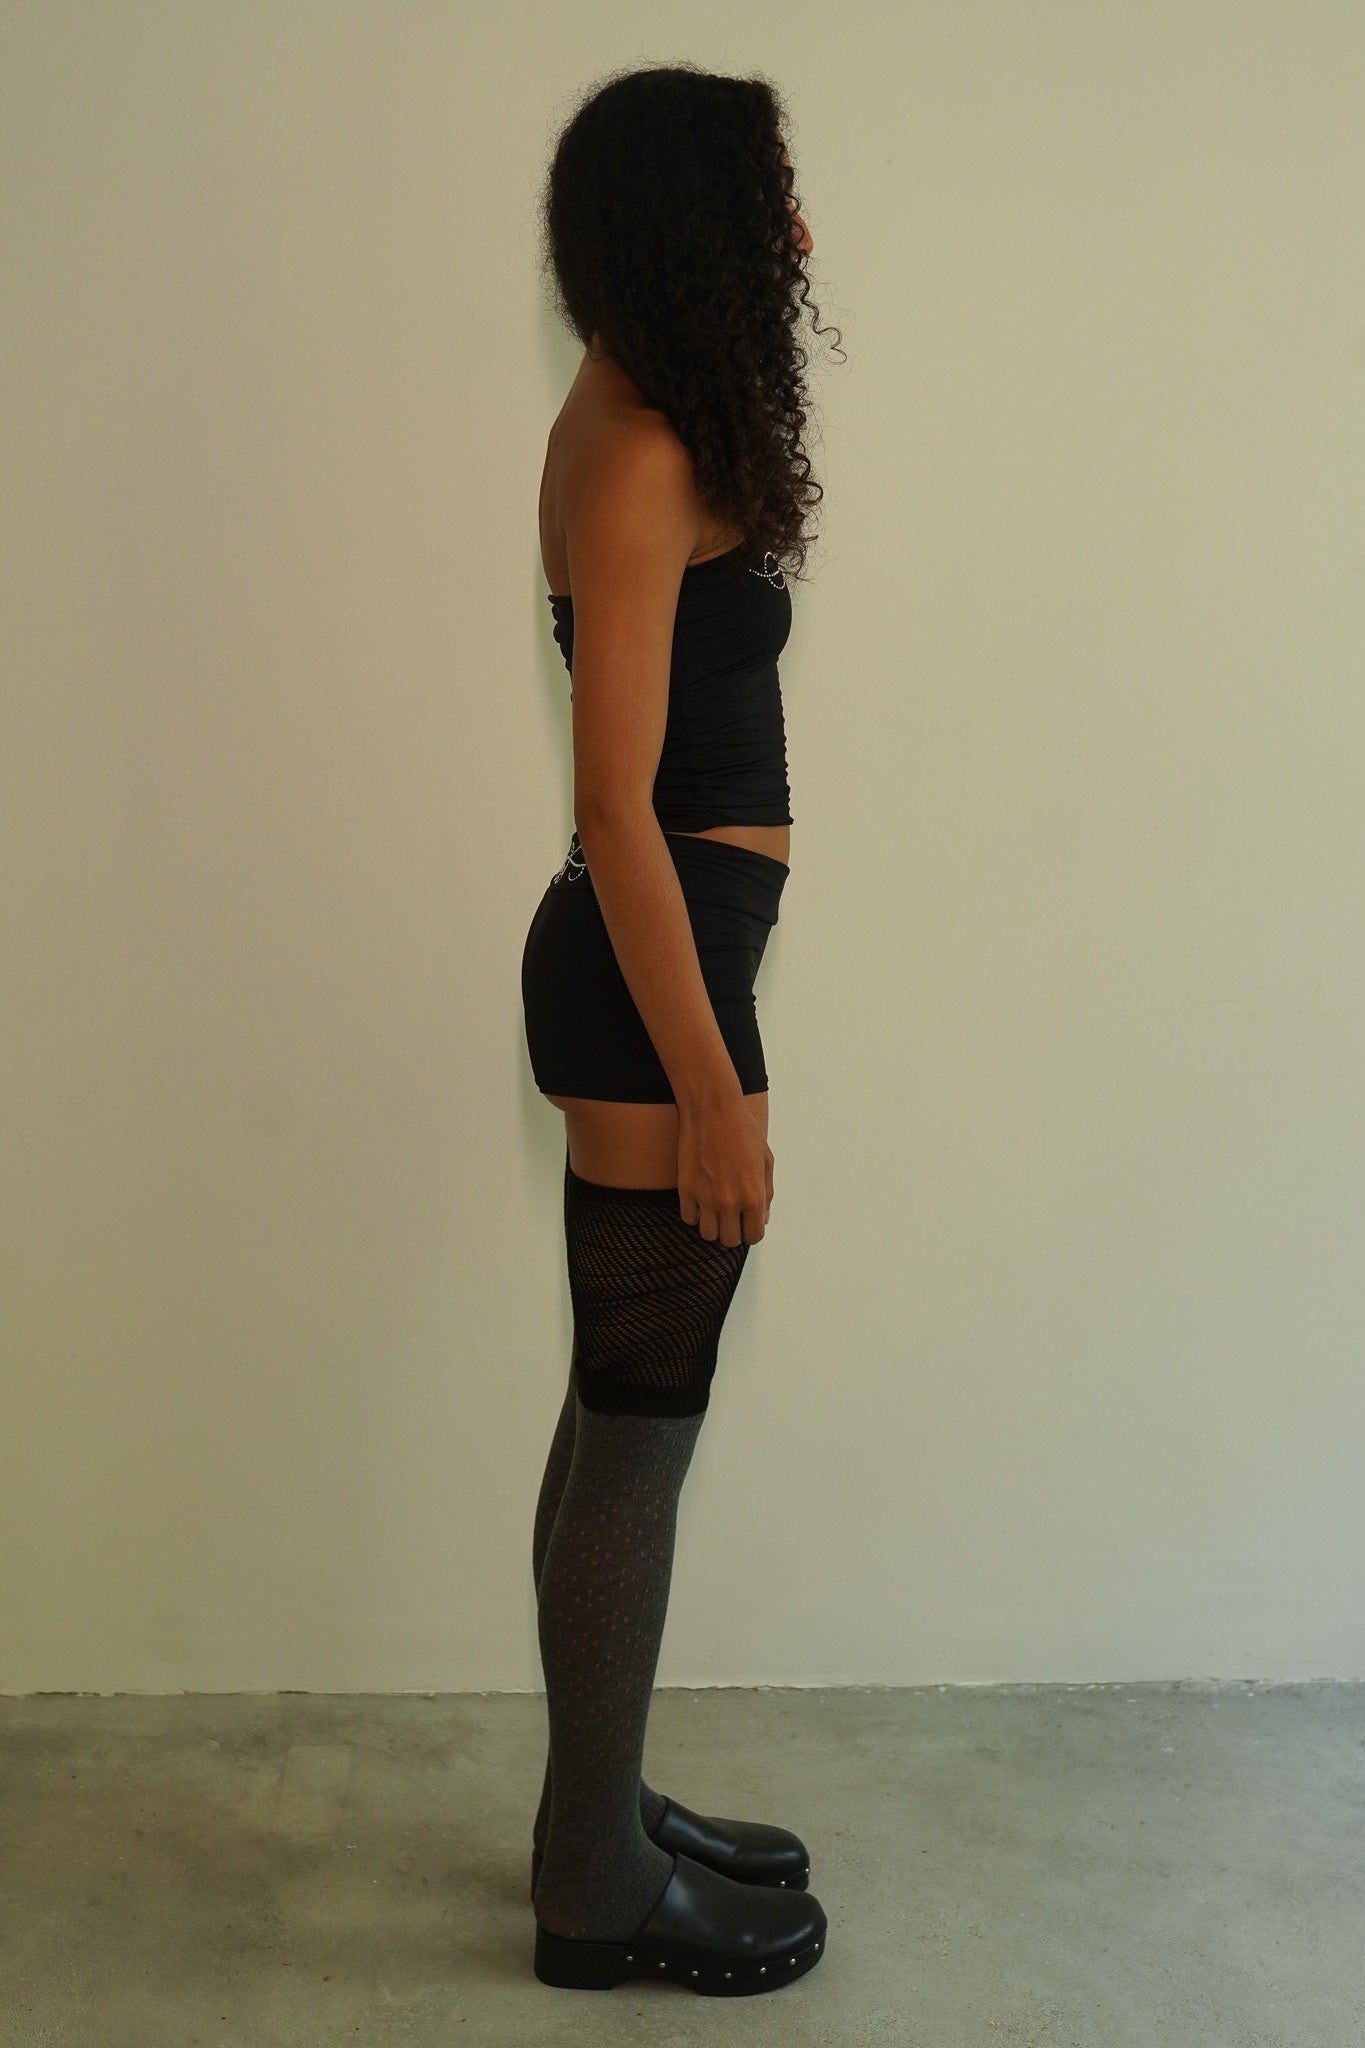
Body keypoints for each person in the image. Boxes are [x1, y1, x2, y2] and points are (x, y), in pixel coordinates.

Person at [520, 61, 843, 1998]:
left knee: (612, 1416)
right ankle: (592, 1891)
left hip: (664, 964)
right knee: (642, 1436)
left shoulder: (638, 405)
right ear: (692, 227)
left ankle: (598, 1811)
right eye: (768, 193)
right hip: (656, 988)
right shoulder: (636, 449)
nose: (797, 226)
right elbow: (614, 807)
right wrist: (715, 1087)